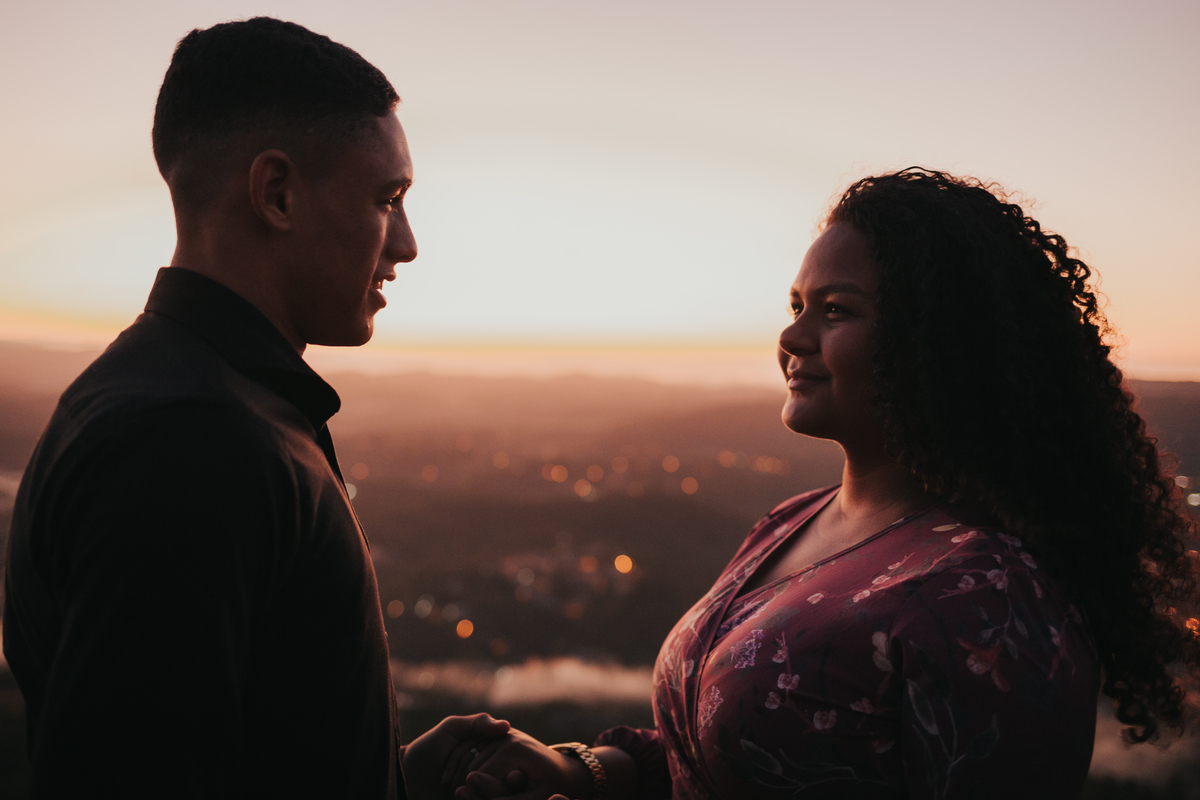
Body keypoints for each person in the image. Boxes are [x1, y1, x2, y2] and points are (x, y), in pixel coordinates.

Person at [442, 168, 1199, 799]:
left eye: (835, 311)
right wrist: (582, 771)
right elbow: (713, 758)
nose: (792, 337)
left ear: (938, 345)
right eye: (796, 306)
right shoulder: (789, 522)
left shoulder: (989, 600)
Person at [2, 16, 507, 798]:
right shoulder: (188, 441)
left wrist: (384, 776)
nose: (406, 243)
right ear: (276, 194)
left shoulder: (180, 394)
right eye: (388, 199)